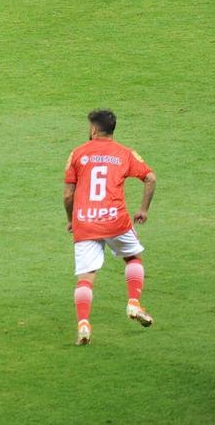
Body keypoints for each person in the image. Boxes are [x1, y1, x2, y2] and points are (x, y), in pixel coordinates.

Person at [63, 109, 156, 346]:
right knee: (132, 257)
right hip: (115, 219)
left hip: (85, 220)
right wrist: (143, 209)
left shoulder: (78, 153)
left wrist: (70, 219)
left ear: (94, 129)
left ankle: (83, 324)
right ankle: (133, 302)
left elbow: (68, 195)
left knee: (86, 277)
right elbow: (150, 178)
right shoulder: (124, 153)